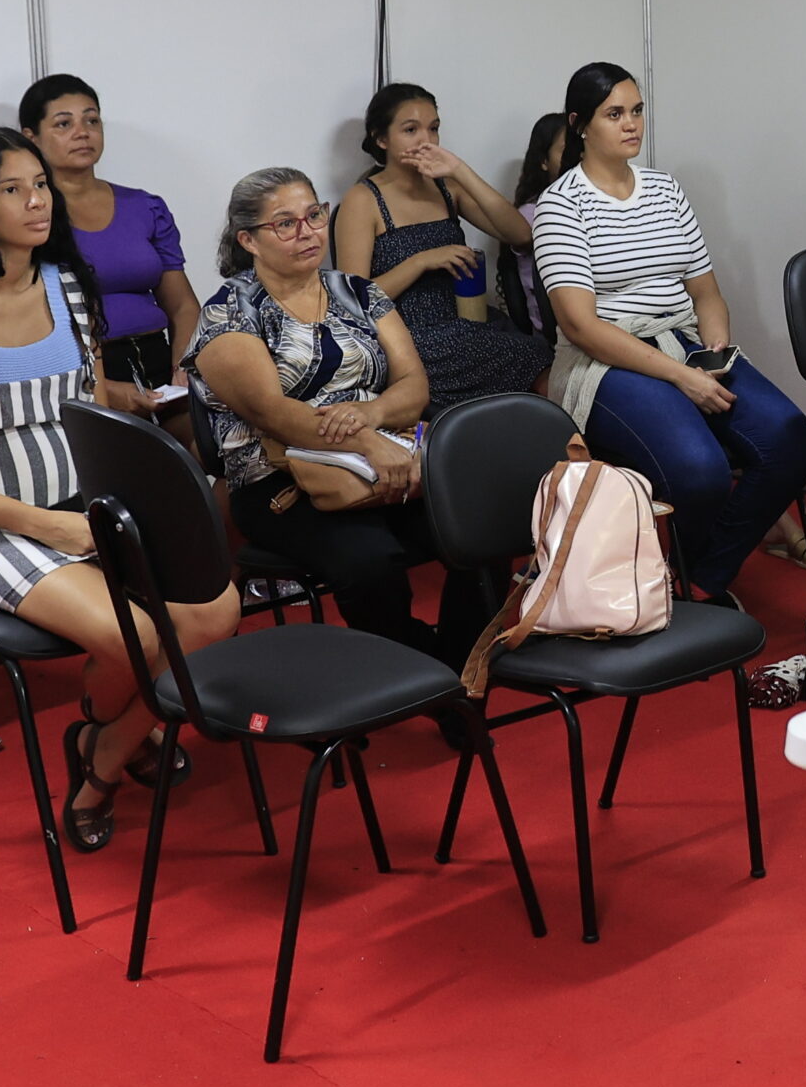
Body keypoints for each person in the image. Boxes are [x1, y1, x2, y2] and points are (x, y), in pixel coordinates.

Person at [0, 128, 238, 852]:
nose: (36, 200)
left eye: (39, 184)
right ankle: (110, 759)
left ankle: (101, 745)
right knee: (140, 633)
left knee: (218, 606)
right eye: (12, 189)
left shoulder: (68, 287)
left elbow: (90, 411)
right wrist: (52, 527)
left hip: (86, 512)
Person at [531, 62, 806, 601]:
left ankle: (703, 578)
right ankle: (697, 575)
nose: (631, 123)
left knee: (791, 439)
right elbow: (581, 325)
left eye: (637, 110)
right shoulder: (561, 204)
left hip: (683, 341)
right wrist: (681, 377)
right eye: (614, 113)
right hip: (608, 359)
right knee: (698, 472)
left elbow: (706, 293)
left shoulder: (665, 190)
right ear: (580, 125)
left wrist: (713, 351)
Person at [188, 167, 487, 667]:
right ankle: (418, 666)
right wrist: (367, 442)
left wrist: (369, 415)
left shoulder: (358, 292)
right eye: (285, 224)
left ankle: (461, 666)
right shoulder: (229, 314)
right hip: (282, 483)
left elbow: (413, 385)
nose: (307, 232)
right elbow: (274, 413)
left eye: (313, 215)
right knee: (369, 561)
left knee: (479, 528)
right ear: (249, 240)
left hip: (391, 458)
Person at [332, 84, 552, 409]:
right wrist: (421, 261)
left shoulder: (446, 188)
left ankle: (569, 450)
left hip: (467, 320)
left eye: (433, 129)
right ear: (382, 139)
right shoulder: (363, 200)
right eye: (410, 130)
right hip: (407, 334)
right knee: (525, 357)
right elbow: (351, 301)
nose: (426, 140)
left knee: (541, 355)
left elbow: (520, 233)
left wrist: (460, 171)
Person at [18, 74, 198, 421]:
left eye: (91, 119)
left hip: (162, 364)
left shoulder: (144, 206)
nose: (82, 132)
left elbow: (182, 305)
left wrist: (185, 367)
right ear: (31, 137)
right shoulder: (32, 216)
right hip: (81, 374)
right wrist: (104, 387)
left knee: (206, 456)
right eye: (63, 123)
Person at [506, 112, 566, 335]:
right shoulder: (531, 214)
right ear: (544, 161)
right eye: (565, 150)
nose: (578, 157)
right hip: (556, 337)